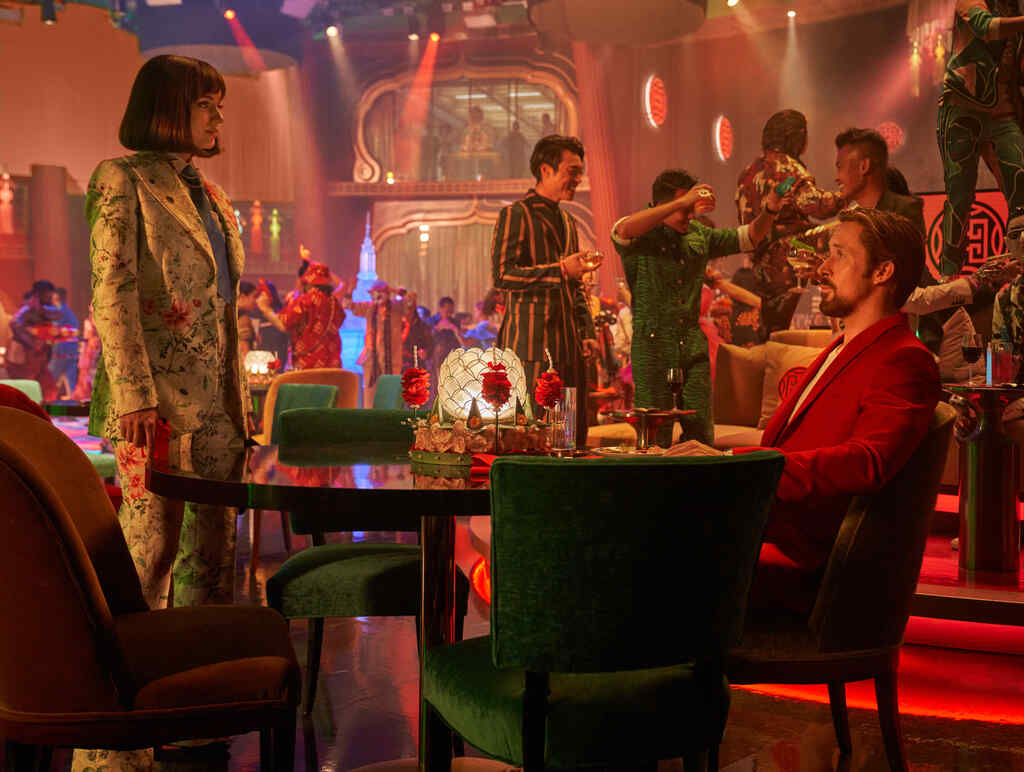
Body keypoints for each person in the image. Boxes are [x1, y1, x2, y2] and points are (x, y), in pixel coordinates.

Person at [79, 54, 248, 772]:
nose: (217, 116)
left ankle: (192, 720)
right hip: (155, 409)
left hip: (221, 407)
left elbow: (223, 308)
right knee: (145, 562)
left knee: (211, 565)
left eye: (218, 104)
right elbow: (111, 291)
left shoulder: (211, 193)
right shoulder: (121, 179)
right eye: (206, 103)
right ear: (169, 107)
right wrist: (135, 397)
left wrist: (239, 403)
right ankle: (111, 739)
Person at [667, 208, 942, 614]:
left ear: (883, 272)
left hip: (803, 563)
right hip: (762, 531)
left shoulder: (903, 359)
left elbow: (867, 461)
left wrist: (734, 466)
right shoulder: (842, 346)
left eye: (839, 254)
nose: (822, 268)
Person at [613, 169, 788, 444]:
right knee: (654, 433)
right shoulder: (641, 234)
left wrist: (770, 210)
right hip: (652, 345)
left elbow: (750, 237)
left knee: (701, 432)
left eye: (691, 208)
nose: (690, 215)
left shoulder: (699, 235)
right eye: (684, 208)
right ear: (662, 204)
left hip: (692, 344)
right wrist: (683, 202)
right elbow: (622, 229)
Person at [491, 134, 600, 445]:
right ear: (545, 170)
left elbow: (575, 284)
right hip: (531, 345)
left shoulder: (568, 220)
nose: (578, 179)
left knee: (570, 437)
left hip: (569, 344)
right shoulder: (516, 214)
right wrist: (561, 269)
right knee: (531, 437)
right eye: (572, 171)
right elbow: (502, 275)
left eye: (580, 172)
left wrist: (587, 331)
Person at [736, 109, 846, 334]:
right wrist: (850, 192)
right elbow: (817, 206)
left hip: (761, 262)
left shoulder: (748, 171)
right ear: (796, 136)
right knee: (847, 232)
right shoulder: (786, 166)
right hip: (790, 251)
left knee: (774, 330)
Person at [937, 0, 1024, 277]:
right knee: (960, 198)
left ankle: (1020, 269)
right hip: (962, 108)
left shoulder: (1015, 8)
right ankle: (948, 277)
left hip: (1004, 111)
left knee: (1021, 188)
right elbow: (985, 27)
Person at [835, 128, 925, 234]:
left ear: (864, 166)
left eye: (840, 167)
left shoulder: (904, 211)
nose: (837, 178)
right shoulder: (852, 218)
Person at [258, 261, 345, 370]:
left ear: (308, 282)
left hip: (308, 365)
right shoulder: (334, 302)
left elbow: (283, 325)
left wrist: (266, 309)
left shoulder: (305, 300)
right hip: (333, 366)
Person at [350, 280, 406, 405]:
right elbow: (348, 305)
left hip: (392, 359)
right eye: (375, 293)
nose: (378, 295)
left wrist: (393, 290)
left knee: (391, 394)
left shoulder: (397, 307)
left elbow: (410, 300)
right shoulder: (369, 307)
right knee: (370, 396)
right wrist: (350, 289)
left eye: (381, 293)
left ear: (388, 293)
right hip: (371, 360)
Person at [7, 280, 60, 399]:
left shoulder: (44, 308)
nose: (49, 298)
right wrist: (33, 342)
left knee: (49, 390)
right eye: (47, 295)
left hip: (38, 359)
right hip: (23, 358)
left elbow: (55, 317)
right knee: (26, 389)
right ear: (39, 294)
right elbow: (14, 324)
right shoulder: (27, 309)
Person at [46, 287, 80, 398]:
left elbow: (55, 331)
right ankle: (72, 401)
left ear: (56, 297)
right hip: (72, 351)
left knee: (51, 378)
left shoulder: (59, 312)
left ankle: (47, 401)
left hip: (61, 351)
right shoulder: (70, 313)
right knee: (70, 380)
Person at [236, 281, 261, 357]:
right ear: (242, 297)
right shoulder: (243, 319)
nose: (256, 301)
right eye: (254, 297)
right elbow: (244, 350)